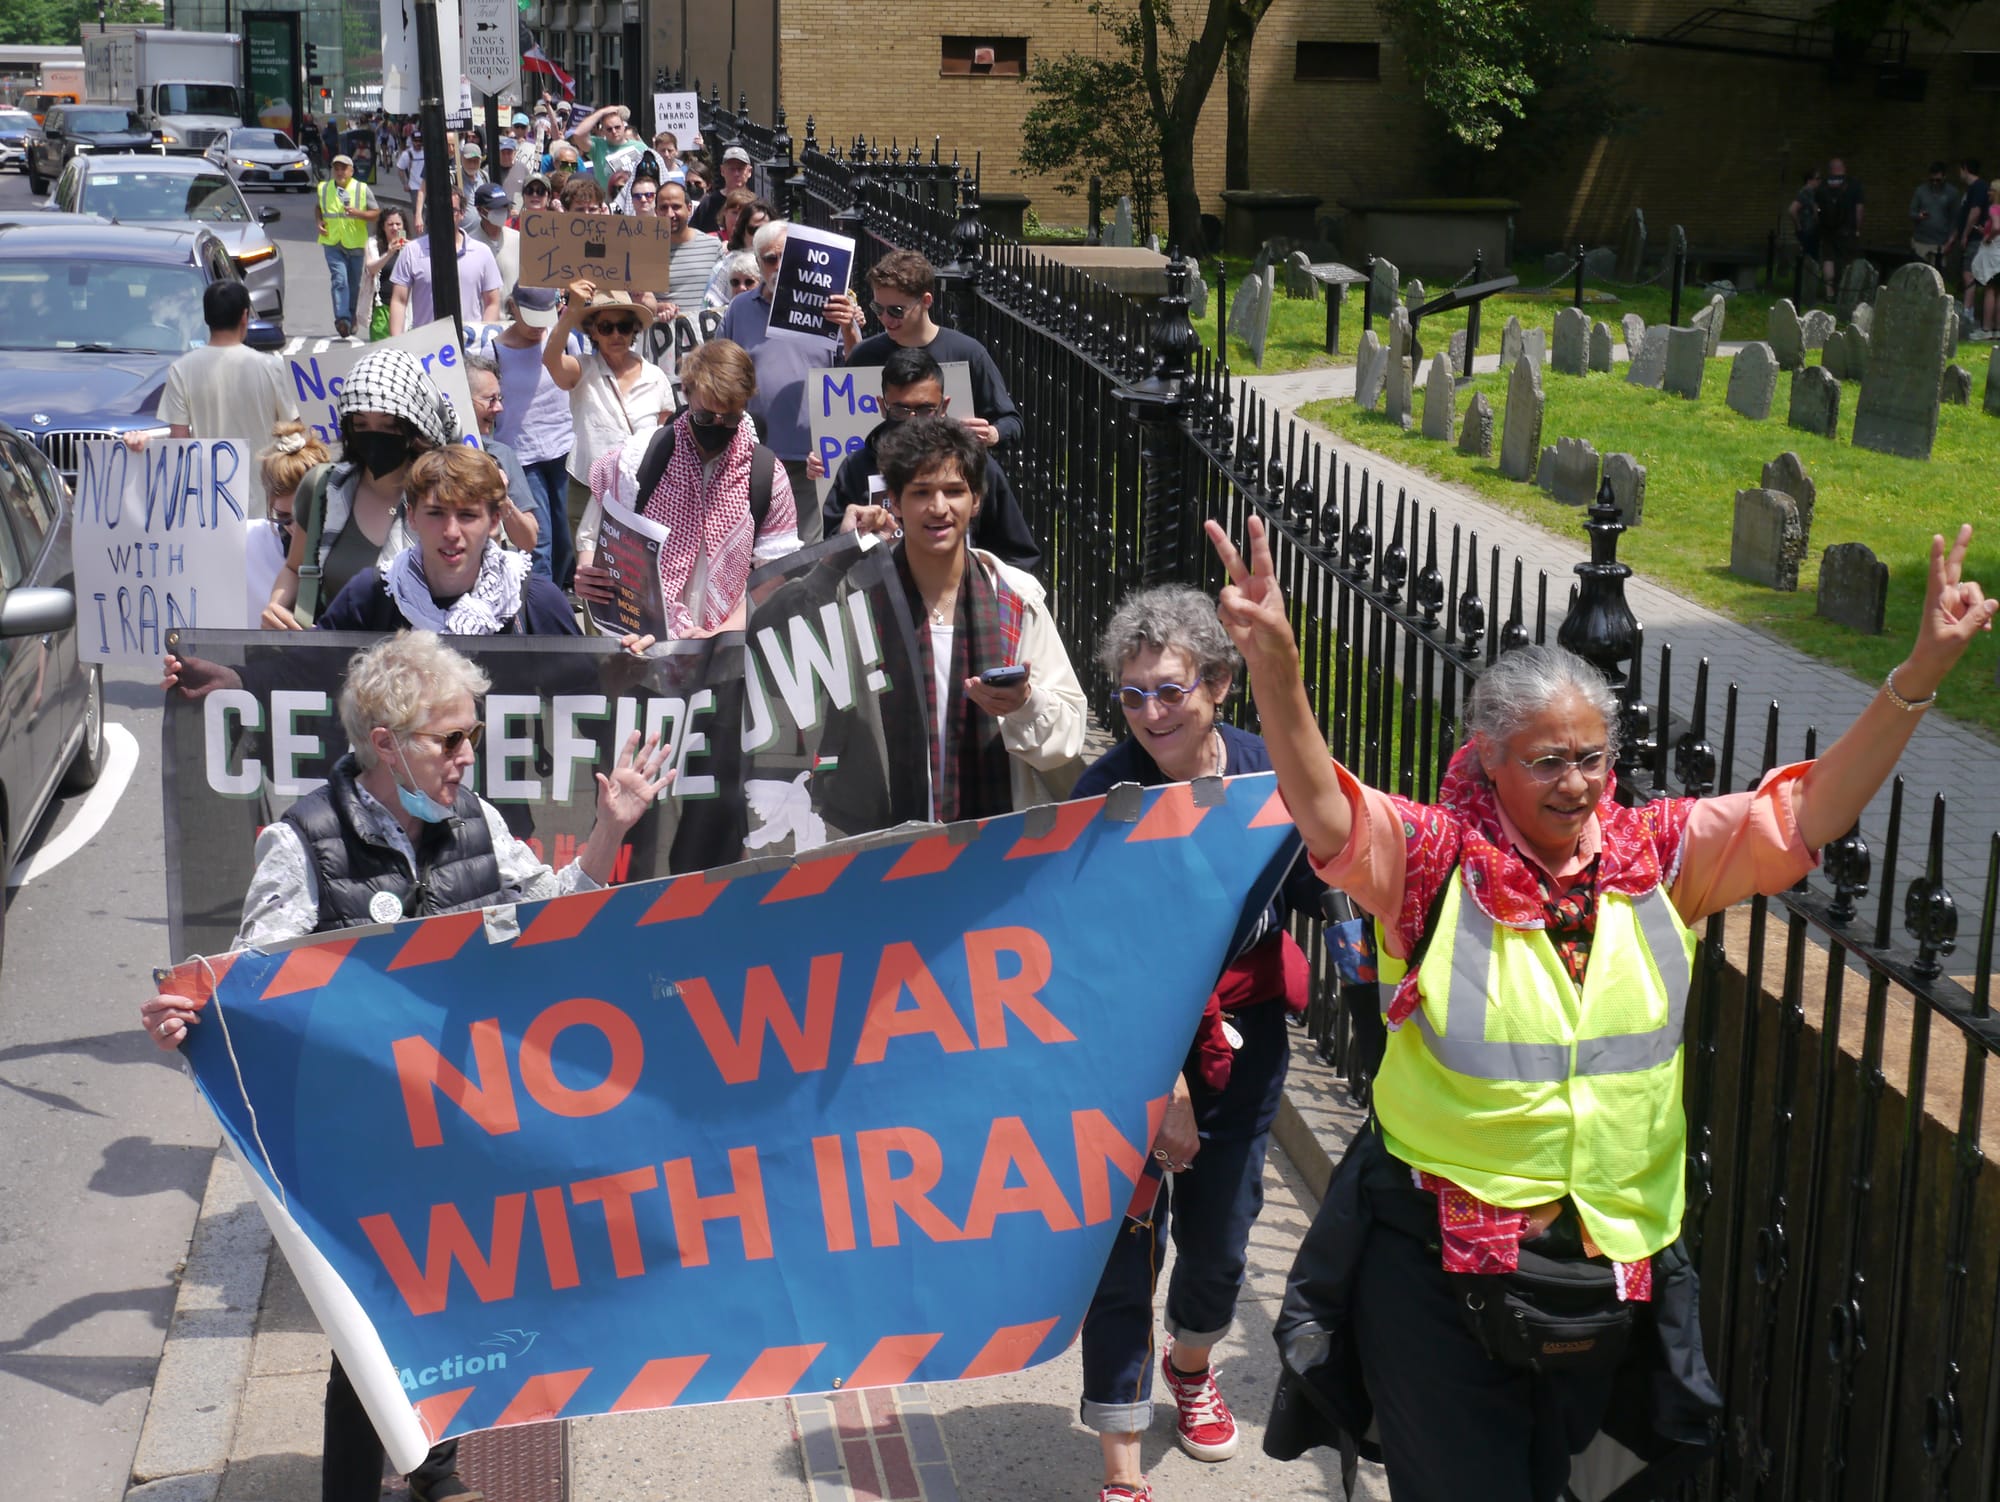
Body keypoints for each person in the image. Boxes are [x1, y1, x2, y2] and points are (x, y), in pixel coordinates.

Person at [1210, 513, 1996, 1499]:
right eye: (1544, 760)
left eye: (1589, 756)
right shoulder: (1432, 860)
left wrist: (1914, 678)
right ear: (1488, 759)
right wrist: (1276, 666)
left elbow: (1809, 813)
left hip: (1603, 1264)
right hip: (1438, 1265)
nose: (1573, 782)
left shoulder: (1660, 857)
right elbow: (1322, 806)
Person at [142, 628, 671, 1502]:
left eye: (471, 734)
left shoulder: (477, 821)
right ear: (386, 744)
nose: (469, 756)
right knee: (371, 1338)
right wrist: (184, 1017)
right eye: (450, 739)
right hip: (358, 1143)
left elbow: (549, 922)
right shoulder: (304, 843)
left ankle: (436, 1464)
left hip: (456, 1127)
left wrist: (611, 829)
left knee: (450, 1310)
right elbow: (245, 992)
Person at [1069, 584, 1326, 1502]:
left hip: (1244, 1030)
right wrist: (1163, 1079)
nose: (1149, 713)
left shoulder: (1265, 769)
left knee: (1222, 1232)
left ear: (1218, 683)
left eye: (1169, 690)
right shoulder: (1105, 795)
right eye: (1132, 694)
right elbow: (1091, 956)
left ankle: (1190, 1360)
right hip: (1131, 1043)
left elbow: (1317, 876)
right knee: (1126, 1242)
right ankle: (1122, 1457)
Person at [873, 416, 1082, 818]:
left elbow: (1068, 736)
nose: (939, 508)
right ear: (895, 502)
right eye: (921, 492)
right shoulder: (862, 599)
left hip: (992, 842)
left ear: (977, 499)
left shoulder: (1016, 599)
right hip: (881, 839)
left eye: (954, 491)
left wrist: (1024, 704)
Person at [576, 339, 801, 638]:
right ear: (687, 393)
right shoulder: (639, 457)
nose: (717, 427)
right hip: (643, 643)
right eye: (706, 417)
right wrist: (588, 570)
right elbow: (594, 535)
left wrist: (720, 635)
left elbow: (773, 576)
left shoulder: (765, 475)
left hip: (727, 650)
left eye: (730, 418)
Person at [264, 348, 455, 628]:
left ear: (415, 429)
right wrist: (276, 608)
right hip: (334, 665)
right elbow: (295, 568)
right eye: (361, 424)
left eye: (389, 426)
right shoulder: (322, 488)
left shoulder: (449, 498)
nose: (374, 437)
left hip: (424, 664)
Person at [819, 345, 1040, 571]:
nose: (912, 421)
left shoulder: (976, 466)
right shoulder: (856, 468)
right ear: (882, 407)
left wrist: (983, 593)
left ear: (943, 407)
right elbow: (830, 556)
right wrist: (852, 540)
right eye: (901, 410)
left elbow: (1017, 556)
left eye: (925, 410)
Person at [315, 446, 571, 633]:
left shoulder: (534, 601)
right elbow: (313, 679)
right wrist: (282, 648)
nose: (451, 532)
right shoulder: (371, 595)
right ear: (412, 516)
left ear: (494, 521)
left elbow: (586, 695)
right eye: (436, 513)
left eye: (467, 515)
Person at [717, 220, 862, 545]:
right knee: (754, 546)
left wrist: (848, 328)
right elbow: (720, 370)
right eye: (770, 258)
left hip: (810, 457)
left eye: (787, 256)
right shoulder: (741, 308)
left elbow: (854, 371)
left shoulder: (830, 310)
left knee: (804, 552)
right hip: (752, 455)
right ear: (758, 262)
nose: (779, 266)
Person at [543, 281, 676, 587]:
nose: (616, 334)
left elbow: (665, 438)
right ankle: (598, 636)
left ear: (634, 331)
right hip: (587, 488)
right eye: (606, 327)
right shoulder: (582, 369)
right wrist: (572, 309)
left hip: (641, 491)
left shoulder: (656, 378)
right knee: (594, 581)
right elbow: (550, 359)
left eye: (624, 327)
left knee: (640, 581)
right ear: (593, 331)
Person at [839, 249, 1023, 450]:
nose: (885, 318)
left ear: (926, 301)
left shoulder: (967, 352)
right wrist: (820, 463)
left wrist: (993, 434)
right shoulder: (863, 356)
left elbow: (1011, 422)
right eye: (878, 308)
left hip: (949, 477)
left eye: (896, 310)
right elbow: (839, 433)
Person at [145, 281, 300, 457]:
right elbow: (293, 431)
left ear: (206, 318)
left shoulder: (181, 370)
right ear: (244, 316)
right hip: (265, 482)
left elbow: (180, 439)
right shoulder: (272, 367)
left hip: (207, 482)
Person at [491, 286, 575, 580]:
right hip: (521, 456)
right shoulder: (493, 350)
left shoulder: (563, 339)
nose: (538, 325)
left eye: (544, 316)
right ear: (512, 307)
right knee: (540, 538)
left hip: (564, 448)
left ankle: (564, 588)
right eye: (531, 317)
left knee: (567, 530)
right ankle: (540, 597)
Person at [458, 349, 548, 570]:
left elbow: (528, 540)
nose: (499, 408)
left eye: (500, 398)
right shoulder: (430, 457)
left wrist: (503, 499)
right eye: (490, 400)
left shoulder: (501, 455)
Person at [244, 422, 330, 618]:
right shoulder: (261, 540)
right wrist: (275, 611)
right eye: (284, 518)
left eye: (307, 515)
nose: (296, 528)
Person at [389, 189, 504, 333]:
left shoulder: (482, 252)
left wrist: (482, 337)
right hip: (426, 346)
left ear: (462, 214)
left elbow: (492, 302)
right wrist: (398, 343)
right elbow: (399, 301)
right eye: (439, 209)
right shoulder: (412, 251)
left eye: (452, 210)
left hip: (468, 346)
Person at [316, 153, 379, 338]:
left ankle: (351, 317)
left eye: (343, 168)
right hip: (332, 242)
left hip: (356, 244)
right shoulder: (324, 188)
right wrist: (318, 221)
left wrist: (359, 213)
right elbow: (318, 207)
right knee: (339, 280)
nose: (339, 171)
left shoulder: (361, 189)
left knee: (353, 285)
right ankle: (342, 319)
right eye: (336, 168)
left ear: (351, 171)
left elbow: (375, 213)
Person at [653, 179, 723, 319]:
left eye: (676, 207)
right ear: (656, 211)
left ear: (689, 208)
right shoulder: (645, 251)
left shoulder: (713, 246)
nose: (670, 214)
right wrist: (657, 307)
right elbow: (638, 299)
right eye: (663, 208)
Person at [1815, 156, 1865, 302]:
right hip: (1847, 230)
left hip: (1827, 230)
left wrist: (1821, 225)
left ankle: (1829, 292)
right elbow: (1859, 209)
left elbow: (1815, 209)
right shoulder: (1854, 185)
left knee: (1828, 259)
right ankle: (1844, 293)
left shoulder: (1822, 186)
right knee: (1846, 261)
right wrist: (1857, 229)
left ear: (1830, 169)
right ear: (1843, 168)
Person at [362, 206, 409, 341]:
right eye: (390, 224)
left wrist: (410, 249)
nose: (394, 228)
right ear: (383, 227)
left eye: (398, 224)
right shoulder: (373, 244)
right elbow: (371, 269)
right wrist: (389, 253)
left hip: (406, 309)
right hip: (382, 307)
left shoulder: (412, 247)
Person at [469, 183, 520, 303]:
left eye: (504, 207)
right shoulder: (470, 244)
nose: (501, 211)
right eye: (495, 208)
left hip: (514, 317)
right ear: (480, 210)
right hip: (484, 318)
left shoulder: (518, 239)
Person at [1951, 158, 1990, 316]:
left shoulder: (1979, 187)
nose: (1959, 173)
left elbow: (1975, 211)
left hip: (1974, 238)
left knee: (1969, 274)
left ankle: (1967, 313)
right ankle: (1967, 311)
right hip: (1970, 237)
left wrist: (1965, 235)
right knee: (1966, 273)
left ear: (1965, 168)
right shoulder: (1971, 189)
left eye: (1960, 170)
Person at [690, 143, 754, 233]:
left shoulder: (755, 204)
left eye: (740, 169)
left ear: (749, 172)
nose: (736, 174)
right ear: (722, 171)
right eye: (731, 169)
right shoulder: (708, 203)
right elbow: (692, 233)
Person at [1910, 160, 1960, 271]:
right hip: (1921, 242)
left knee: (1936, 277)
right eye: (1931, 180)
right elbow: (1911, 212)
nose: (1934, 183)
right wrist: (1919, 216)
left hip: (1940, 243)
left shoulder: (1952, 193)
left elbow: (1955, 220)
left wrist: (1950, 241)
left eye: (1938, 180)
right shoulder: (1921, 191)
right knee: (1919, 274)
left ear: (1944, 177)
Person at [1969, 181, 2000, 341]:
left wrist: (1988, 237)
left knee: (1990, 290)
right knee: (1999, 293)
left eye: (1991, 190)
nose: (1988, 192)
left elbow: (1997, 227)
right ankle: (1997, 329)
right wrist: (1984, 231)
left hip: (1994, 256)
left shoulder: (1995, 208)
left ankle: (1986, 329)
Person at [1787, 167, 1820, 290]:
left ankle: (1807, 287)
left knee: (1811, 260)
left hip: (1811, 231)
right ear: (1809, 180)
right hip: (1807, 231)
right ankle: (1804, 288)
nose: (1819, 182)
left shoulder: (1812, 193)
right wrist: (1799, 227)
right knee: (1808, 260)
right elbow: (1792, 210)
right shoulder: (1806, 192)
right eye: (1817, 178)